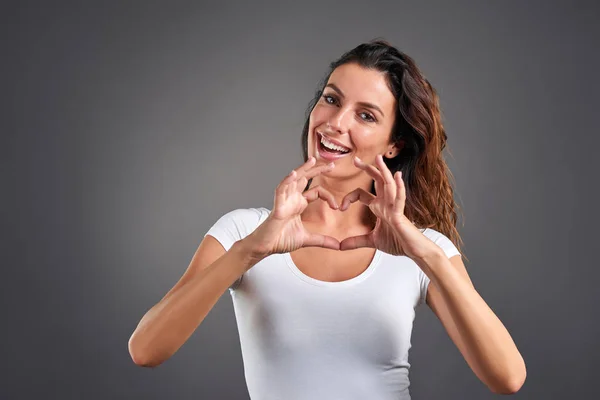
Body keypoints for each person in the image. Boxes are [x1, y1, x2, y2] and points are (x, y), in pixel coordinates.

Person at [128, 39, 526, 399]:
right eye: (332, 100)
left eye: (366, 116)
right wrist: (250, 251)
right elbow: (146, 349)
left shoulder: (423, 250)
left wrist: (426, 255)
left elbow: (507, 378)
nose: (336, 123)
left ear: (393, 145)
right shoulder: (243, 232)